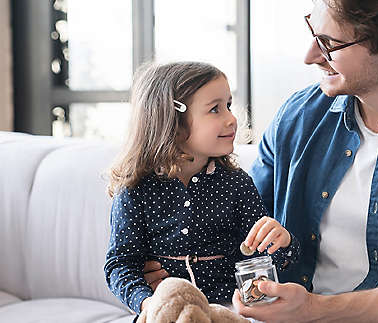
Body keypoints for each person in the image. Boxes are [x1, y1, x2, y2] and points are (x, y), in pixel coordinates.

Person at [146, 0, 378, 321]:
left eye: (329, 43)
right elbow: (241, 228)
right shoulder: (299, 116)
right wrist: (172, 264)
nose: (310, 55)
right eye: (312, 30)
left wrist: (313, 309)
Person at [103, 62, 300, 318]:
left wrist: (283, 245)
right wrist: (148, 303)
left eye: (228, 105)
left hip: (227, 312)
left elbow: (263, 262)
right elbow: (121, 263)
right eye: (215, 109)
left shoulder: (236, 184)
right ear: (172, 120)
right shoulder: (135, 190)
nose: (231, 119)